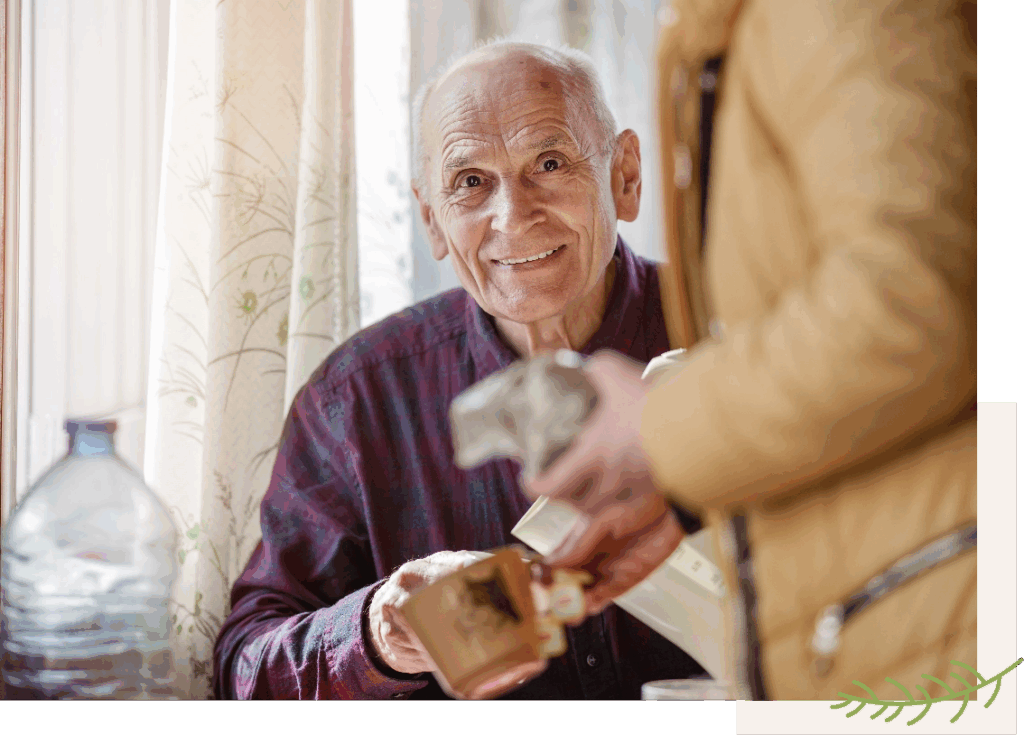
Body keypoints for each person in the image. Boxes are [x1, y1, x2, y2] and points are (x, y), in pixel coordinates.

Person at [212, 39, 707, 700]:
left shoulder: (736, 346)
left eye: (550, 161)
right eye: (471, 182)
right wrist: (381, 632)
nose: (512, 215)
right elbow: (244, 665)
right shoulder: (357, 398)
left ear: (625, 175)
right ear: (432, 220)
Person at [523, 0, 978, 701]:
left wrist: (658, 432)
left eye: (550, 163)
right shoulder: (725, 31)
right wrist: (684, 493)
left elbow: (917, 302)